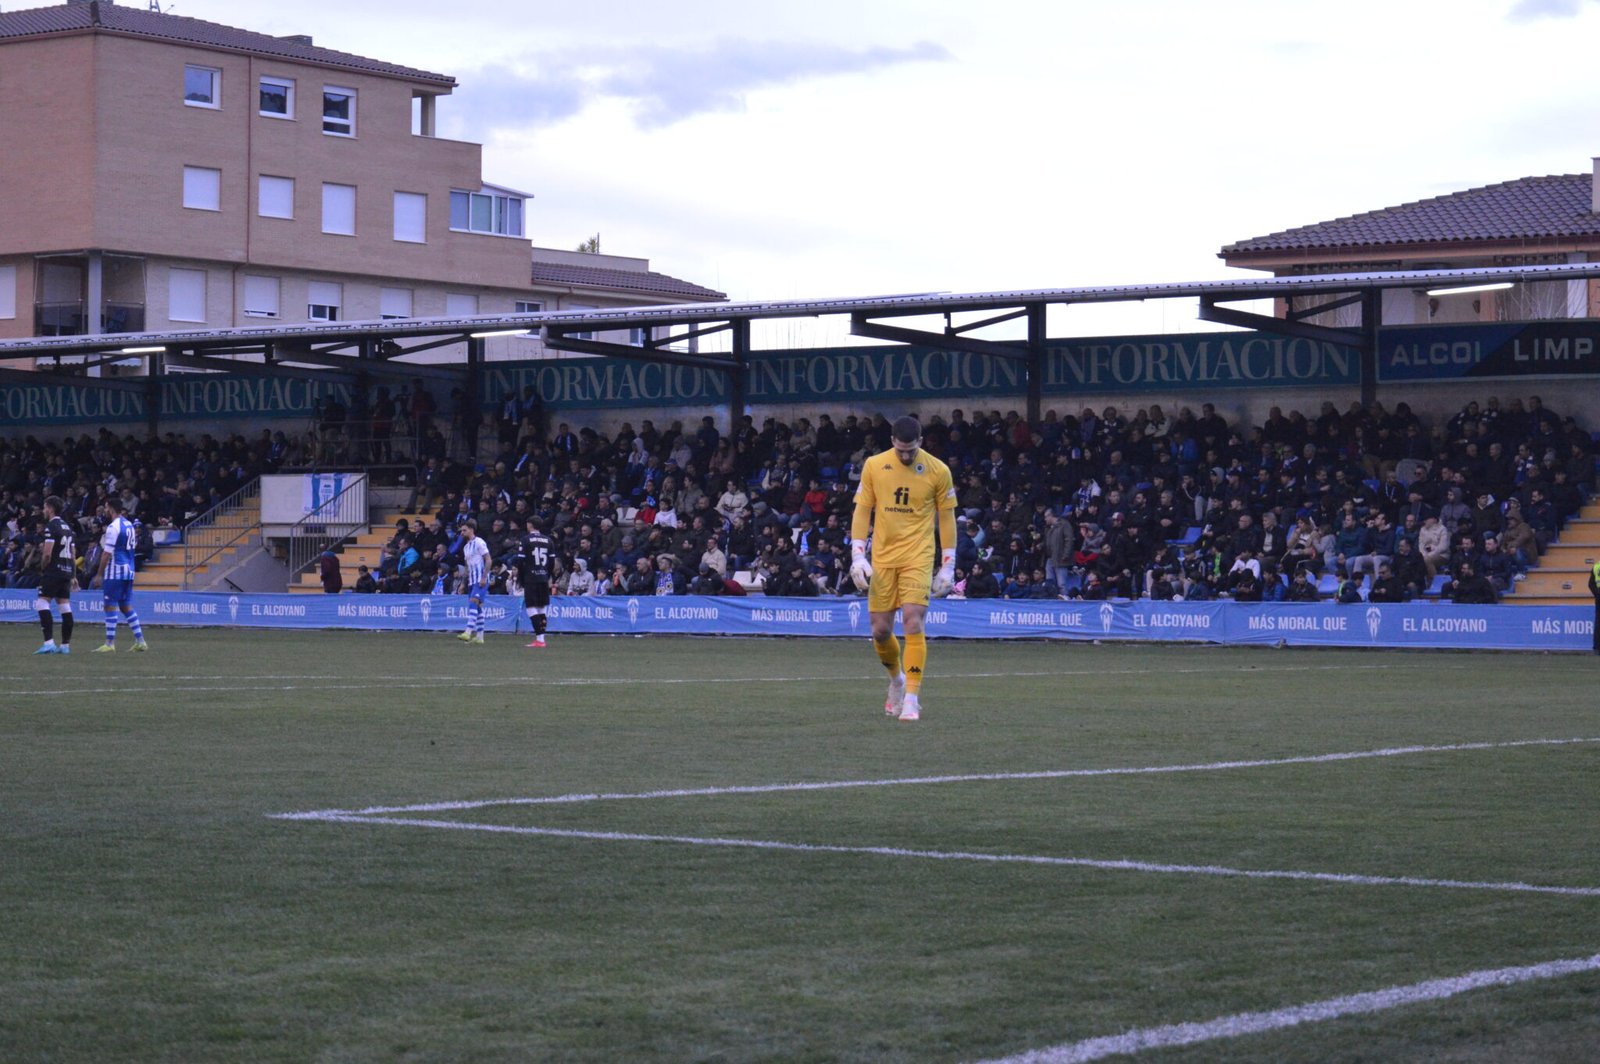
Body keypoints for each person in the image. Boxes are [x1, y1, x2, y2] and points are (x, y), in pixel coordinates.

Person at [849, 415, 956, 723]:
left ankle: (912, 697)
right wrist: (858, 554)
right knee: (880, 631)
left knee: (912, 623)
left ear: (920, 442)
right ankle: (896, 681)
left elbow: (946, 518)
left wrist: (948, 565)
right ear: (892, 443)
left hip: (918, 556)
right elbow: (863, 510)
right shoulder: (874, 465)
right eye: (900, 450)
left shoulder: (938, 470)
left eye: (911, 450)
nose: (905, 456)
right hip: (883, 557)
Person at [94, 495, 147, 652]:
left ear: (110, 508)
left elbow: (106, 553)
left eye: (105, 507)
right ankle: (141, 641)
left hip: (115, 571)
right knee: (125, 606)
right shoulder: (129, 524)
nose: (104, 510)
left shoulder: (113, 527)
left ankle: (109, 643)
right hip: (129, 571)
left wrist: (99, 574)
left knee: (109, 606)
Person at [34, 495, 77, 655]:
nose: (44, 510)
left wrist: (44, 567)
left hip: (54, 571)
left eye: (45, 507)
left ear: (50, 508)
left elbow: (47, 554)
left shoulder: (51, 527)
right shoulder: (68, 527)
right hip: (66, 571)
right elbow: (73, 553)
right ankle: (65, 646)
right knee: (64, 606)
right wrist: (73, 574)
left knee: (42, 603)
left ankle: (49, 643)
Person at [517, 517, 553, 648]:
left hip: (531, 578)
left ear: (530, 525)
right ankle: (541, 639)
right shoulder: (548, 540)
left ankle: (539, 639)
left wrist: (521, 578)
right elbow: (552, 562)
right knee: (542, 607)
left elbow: (520, 562)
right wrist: (546, 575)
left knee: (531, 608)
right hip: (543, 577)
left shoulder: (525, 540)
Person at [456, 519, 491, 644]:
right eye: (461, 531)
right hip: (471, 579)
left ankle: (468, 632)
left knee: (473, 602)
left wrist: (484, 577)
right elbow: (467, 567)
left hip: (480, 578)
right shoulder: (466, 547)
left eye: (464, 530)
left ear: (471, 529)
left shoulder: (479, 542)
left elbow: (488, 559)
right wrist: (463, 583)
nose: (462, 533)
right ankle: (480, 637)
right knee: (478, 607)